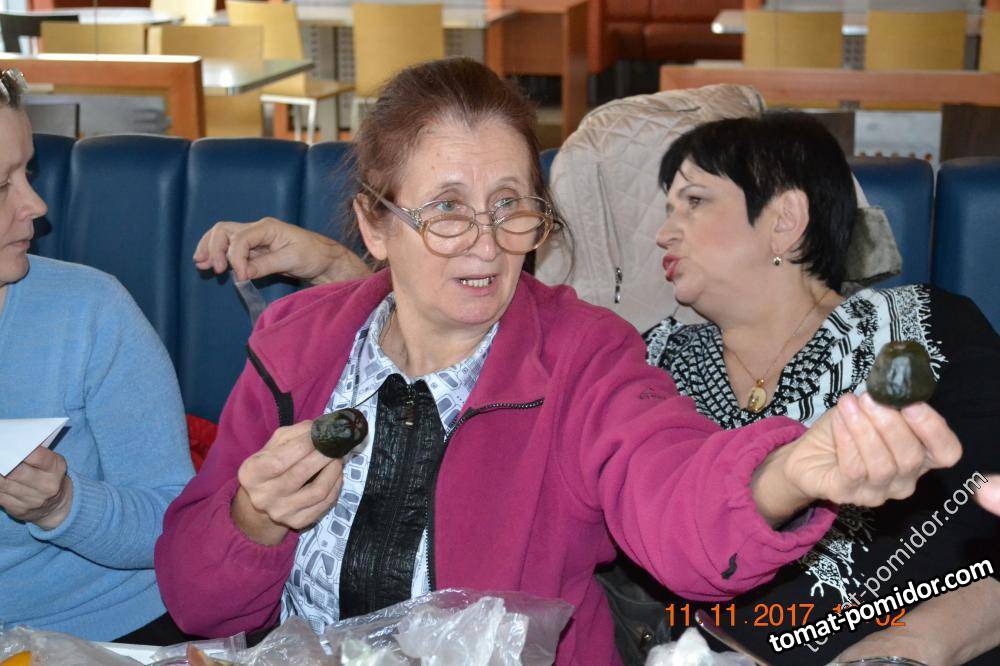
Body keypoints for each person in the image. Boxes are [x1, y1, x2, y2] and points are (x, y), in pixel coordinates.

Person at [158, 59, 962, 665]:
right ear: (375, 224)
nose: (486, 243)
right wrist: (254, 520)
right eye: (448, 209)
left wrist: (786, 473)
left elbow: (672, 498)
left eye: (511, 205)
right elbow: (194, 600)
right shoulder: (296, 344)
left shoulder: (583, 354)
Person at [638, 112, 1000, 665]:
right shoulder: (649, 362)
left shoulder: (921, 329)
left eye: (694, 202)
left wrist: (905, 647)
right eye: (668, 210)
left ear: (785, 219)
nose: (664, 233)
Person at [0, 68, 195, 643]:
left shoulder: (89, 311)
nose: (35, 205)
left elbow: (173, 518)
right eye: (0, 186)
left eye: (28, 172)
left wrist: (62, 505)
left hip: (107, 632)